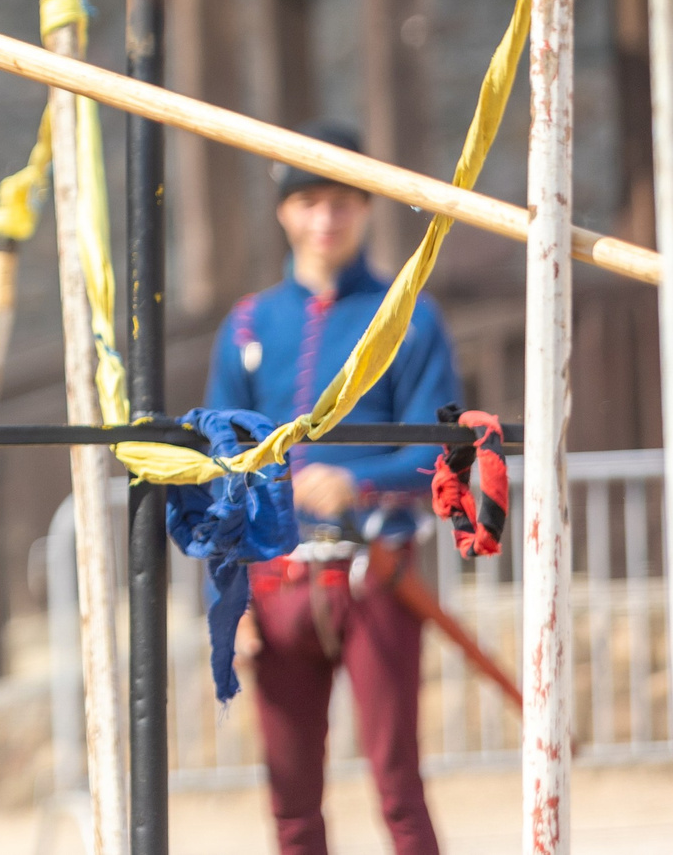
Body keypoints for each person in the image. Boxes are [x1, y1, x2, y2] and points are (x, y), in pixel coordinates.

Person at [204, 121, 459, 855]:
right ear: (284, 211)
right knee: (290, 803)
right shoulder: (247, 325)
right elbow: (221, 469)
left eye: (342, 200)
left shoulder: (410, 316)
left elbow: (435, 453)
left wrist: (355, 480)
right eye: (310, 201)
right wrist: (225, 597)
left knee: (398, 788)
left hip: (376, 575)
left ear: (366, 208)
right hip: (273, 581)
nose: (326, 218)